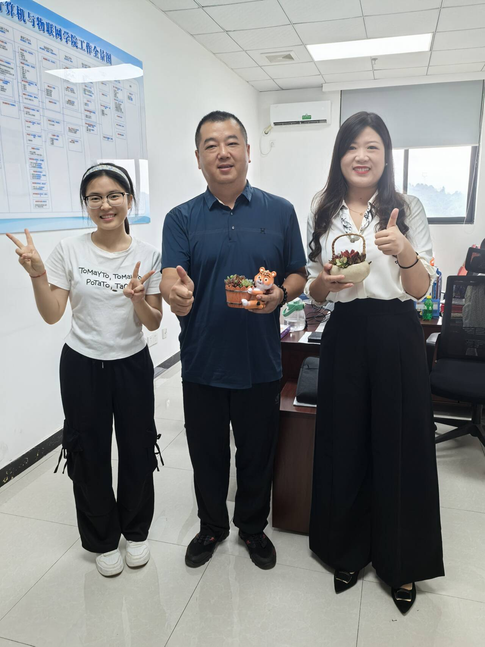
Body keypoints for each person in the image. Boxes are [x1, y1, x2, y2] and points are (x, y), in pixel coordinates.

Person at [306, 112, 444, 613]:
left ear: (386, 156)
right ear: (339, 156)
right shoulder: (322, 207)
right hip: (344, 329)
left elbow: (421, 289)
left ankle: (401, 562)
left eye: (372, 147)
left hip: (396, 331)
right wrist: (325, 283)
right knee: (344, 440)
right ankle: (346, 550)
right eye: (351, 147)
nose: (361, 156)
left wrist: (405, 251)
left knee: (400, 442)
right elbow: (312, 290)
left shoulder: (407, 207)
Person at [160, 111, 306, 570]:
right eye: (210, 145)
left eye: (231, 142)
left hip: (260, 360)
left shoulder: (279, 211)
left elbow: (298, 273)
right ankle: (211, 526)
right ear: (198, 158)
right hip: (202, 360)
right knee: (206, 454)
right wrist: (175, 294)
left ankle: (252, 527)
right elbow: (170, 277)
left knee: (257, 452)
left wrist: (281, 294)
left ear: (247, 151)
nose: (222, 153)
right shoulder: (181, 218)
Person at [7, 163, 163, 577]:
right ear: (86, 205)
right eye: (94, 198)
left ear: (129, 201)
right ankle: (101, 539)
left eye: (114, 196)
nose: (105, 205)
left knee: (137, 448)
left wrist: (137, 299)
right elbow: (52, 313)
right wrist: (38, 274)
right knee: (88, 453)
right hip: (82, 364)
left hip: (131, 364)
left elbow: (153, 323)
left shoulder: (149, 254)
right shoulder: (69, 249)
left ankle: (136, 530)